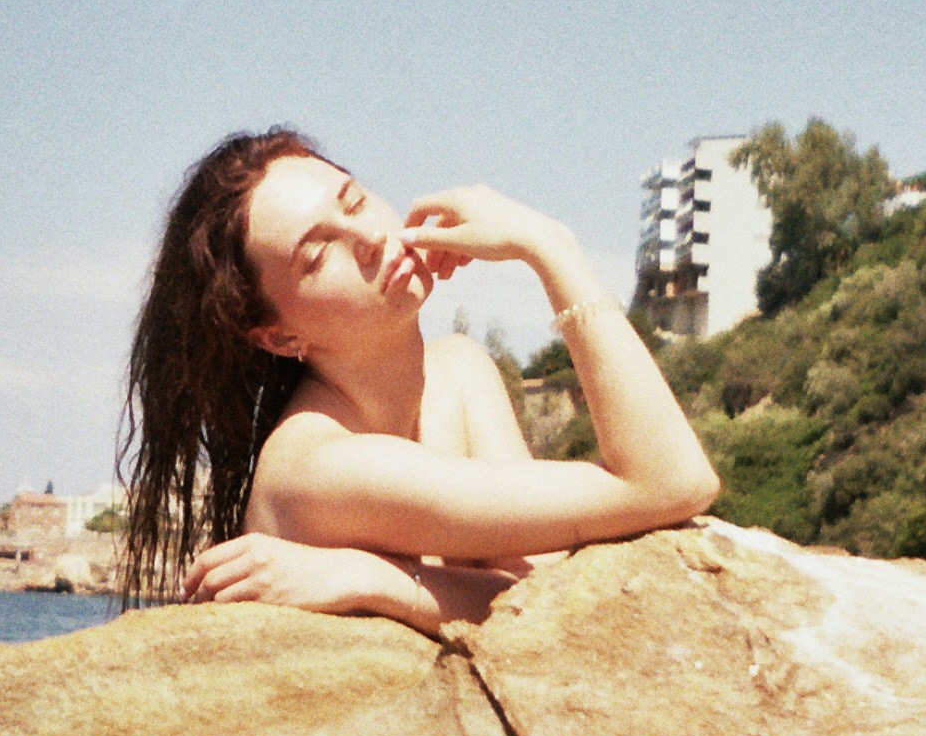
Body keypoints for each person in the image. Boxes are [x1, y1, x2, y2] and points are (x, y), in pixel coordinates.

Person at [116, 127, 720, 632]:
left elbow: (539, 583)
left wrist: (380, 579)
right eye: (317, 254)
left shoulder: (460, 372)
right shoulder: (315, 468)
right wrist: (550, 247)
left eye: (353, 202)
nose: (370, 238)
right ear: (278, 337)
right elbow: (669, 481)